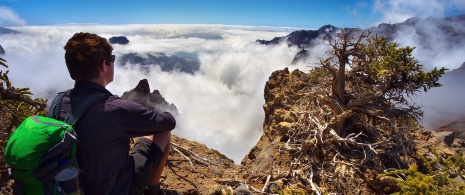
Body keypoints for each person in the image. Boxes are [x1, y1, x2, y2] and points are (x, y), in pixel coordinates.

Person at [57, 32, 176, 195]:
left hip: (71, 187)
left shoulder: (58, 102)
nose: (113, 63)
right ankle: (152, 190)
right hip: (116, 189)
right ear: (103, 65)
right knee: (163, 131)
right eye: (112, 59)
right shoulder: (115, 109)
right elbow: (168, 121)